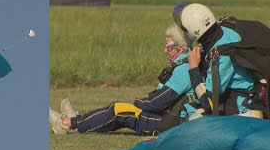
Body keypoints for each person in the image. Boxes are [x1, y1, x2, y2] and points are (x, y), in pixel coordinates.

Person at [50, 23, 199, 136]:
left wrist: (137, 103)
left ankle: (66, 124)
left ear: (180, 48)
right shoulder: (183, 64)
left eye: (168, 46)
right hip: (170, 118)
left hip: (172, 123)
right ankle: (78, 120)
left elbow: (159, 101)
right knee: (119, 109)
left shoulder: (184, 69)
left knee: (119, 111)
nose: (164, 50)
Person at [172, 2, 257, 116]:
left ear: (194, 30)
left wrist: (193, 68)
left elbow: (209, 103)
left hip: (242, 109)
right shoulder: (223, 33)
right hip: (236, 98)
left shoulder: (222, 53)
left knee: (194, 119)